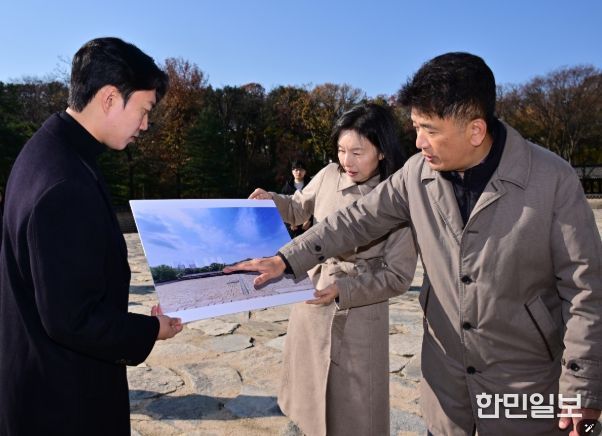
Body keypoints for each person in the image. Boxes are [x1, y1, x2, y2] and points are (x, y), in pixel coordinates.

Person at [226, 53, 602, 435]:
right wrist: (286, 259)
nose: (419, 142)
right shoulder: (416, 173)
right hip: (447, 371)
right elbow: (356, 219)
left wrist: (582, 386)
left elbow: (586, 288)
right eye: (415, 127)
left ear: (475, 130)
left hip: (522, 376)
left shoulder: (553, 180)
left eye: (429, 130)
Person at [0, 37, 183, 436]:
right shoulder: (64, 183)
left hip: (37, 380)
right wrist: (151, 330)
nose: (145, 125)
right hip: (62, 401)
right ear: (109, 98)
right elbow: (72, 319)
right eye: (144, 110)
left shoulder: (48, 149)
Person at [247, 103, 417, 436]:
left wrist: (345, 289)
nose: (346, 161)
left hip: (360, 309)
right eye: (341, 150)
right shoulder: (327, 175)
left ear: (382, 151)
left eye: (357, 152)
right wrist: (271, 199)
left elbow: (398, 275)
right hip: (312, 295)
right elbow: (297, 209)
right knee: (308, 395)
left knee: (356, 406)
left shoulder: (397, 198)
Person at [280, 160, 312, 236]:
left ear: (305, 171)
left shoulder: (311, 184)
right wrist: (290, 223)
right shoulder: (286, 188)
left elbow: (316, 203)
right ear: (292, 172)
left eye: (301, 169)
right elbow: (284, 207)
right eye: (296, 170)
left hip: (308, 223)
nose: (298, 172)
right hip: (293, 226)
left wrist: (310, 220)